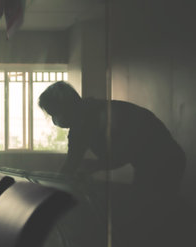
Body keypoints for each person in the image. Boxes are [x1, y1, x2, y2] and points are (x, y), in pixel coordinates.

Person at [38, 81, 185, 197]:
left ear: (65, 108)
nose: (54, 120)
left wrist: (91, 167)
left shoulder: (96, 117)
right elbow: (72, 162)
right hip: (152, 161)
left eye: (54, 114)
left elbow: (122, 154)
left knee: (150, 209)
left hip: (165, 159)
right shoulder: (83, 121)